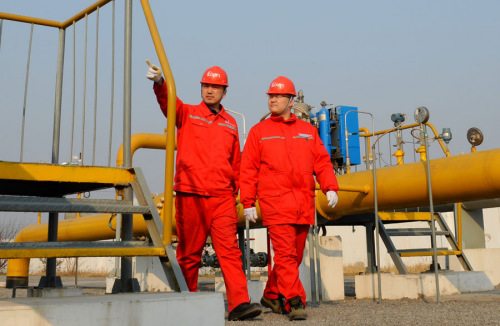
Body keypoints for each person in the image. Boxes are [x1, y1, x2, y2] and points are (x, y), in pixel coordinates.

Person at [146, 61, 262, 321]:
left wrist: (241, 195)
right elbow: (168, 104)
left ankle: (239, 305)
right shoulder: (187, 113)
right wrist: (159, 84)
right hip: (191, 194)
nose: (210, 90)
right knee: (189, 252)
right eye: (206, 85)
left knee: (230, 252)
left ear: (225, 92)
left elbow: (236, 164)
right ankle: (187, 301)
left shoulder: (231, 123)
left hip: (222, 198)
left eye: (216, 87)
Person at [240, 76, 339, 321]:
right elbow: (248, 169)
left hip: (302, 203)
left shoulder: (308, 131)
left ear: (291, 100)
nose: (272, 99)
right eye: (270, 96)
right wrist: (248, 202)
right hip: (275, 203)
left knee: (292, 257)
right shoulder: (259, 132)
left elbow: (322, 162)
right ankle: (295, 300)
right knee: (284, 254)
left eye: (278, 95)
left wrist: (330, 187)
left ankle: (271, 295)